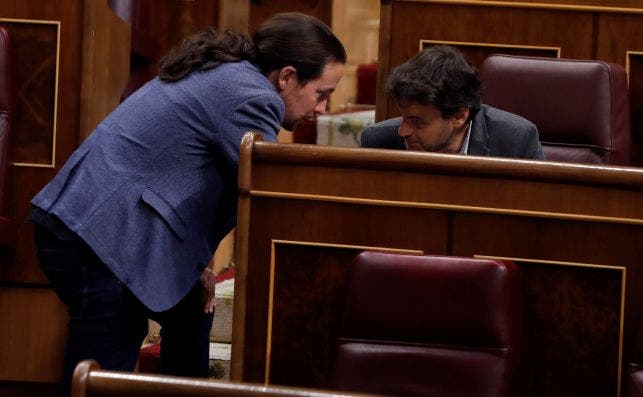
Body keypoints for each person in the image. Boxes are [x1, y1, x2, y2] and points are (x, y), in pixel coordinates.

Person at [28, 12, 345, 396]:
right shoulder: (252, 96)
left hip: (98, 226)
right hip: (99, 237)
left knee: (192, 311)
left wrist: (195, 265)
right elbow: (273, 195)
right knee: (101, 373)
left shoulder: (227, 75)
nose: (322, 109)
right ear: (288, 76)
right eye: (322, 94)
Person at [360, 45, 545, 159]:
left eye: (416, 121)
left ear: (459, 116)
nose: (402, 131)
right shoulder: (379, 142)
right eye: (403, 118)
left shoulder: (515, 141)